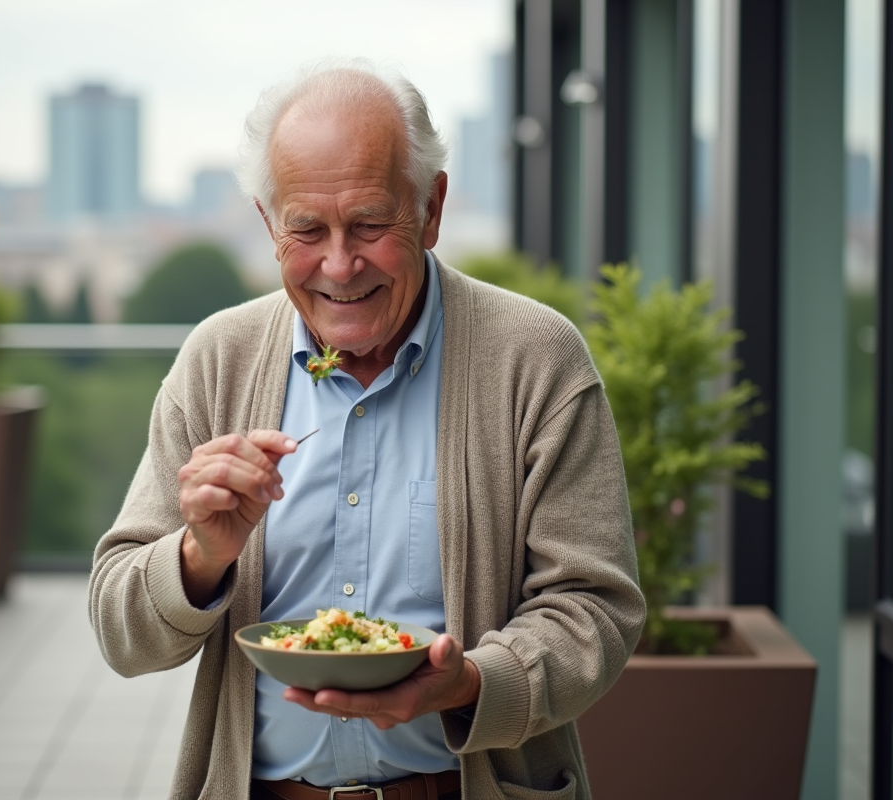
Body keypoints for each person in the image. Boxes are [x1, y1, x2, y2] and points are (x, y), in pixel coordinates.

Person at [88, 59, 645, 800]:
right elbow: (120, 634)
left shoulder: (536, 359)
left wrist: (470, 682)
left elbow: (596, 608)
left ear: (432, 209)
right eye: (307, 229)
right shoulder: (218, 361)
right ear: (268, 224)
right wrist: (199, 555)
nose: (340, 265)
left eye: (372, 225)